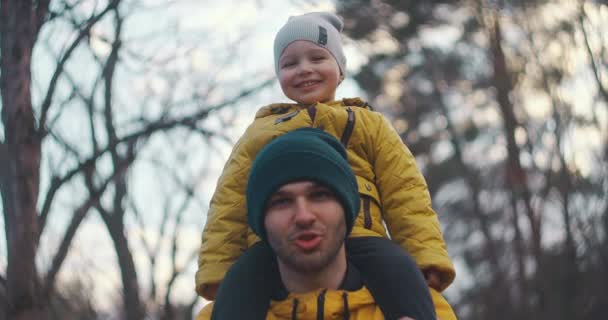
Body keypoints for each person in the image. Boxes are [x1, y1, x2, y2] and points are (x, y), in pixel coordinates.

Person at [196, 11, 457, 320]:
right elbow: (229, 204)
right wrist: (218, 270)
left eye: (317, 58)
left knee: (401, 270)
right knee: (239, 283)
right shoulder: (260, 132)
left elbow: (406, 192)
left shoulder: (368, 124)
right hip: (272, 247)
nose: (304, 69)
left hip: (363, 235)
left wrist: (424, 258)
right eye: (290, 63)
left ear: (341, 68)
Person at [197, 128, 432, 319]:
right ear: (260, 221)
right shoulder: (220, 315)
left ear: (348, 206)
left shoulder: (423, 308)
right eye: (282, 202)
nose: (303, 216)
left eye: (319, 195)